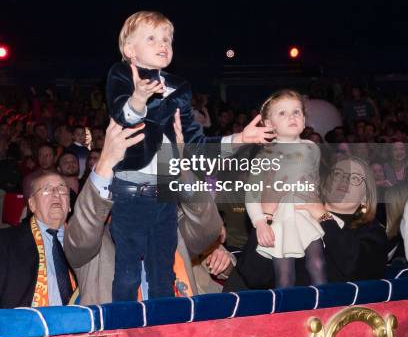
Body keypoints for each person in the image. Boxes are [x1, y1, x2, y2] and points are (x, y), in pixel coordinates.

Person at [105, 10, 273, 301]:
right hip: (132, 190)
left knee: (163, 270)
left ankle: (164, 327)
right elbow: (122, 113)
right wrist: (139, 98)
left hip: (166, 193)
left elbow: (194, 144)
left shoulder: (179, 87)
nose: (163, 44)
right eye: (153, 38)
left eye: (168, 39)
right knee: (128, 271)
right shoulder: (121, 75)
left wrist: (240, 139)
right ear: (130, 50)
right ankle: (125, 329)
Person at [64, 118, 235, 304]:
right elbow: (82, 233)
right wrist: (106, 162)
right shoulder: (95, 245)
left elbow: (208, 227)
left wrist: (182, 169)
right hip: (119, 330)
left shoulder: (172, 231)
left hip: (174, 327)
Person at [225, 155, 387, 291]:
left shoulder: (371, 231)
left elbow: (359, 271)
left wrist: (323, 217)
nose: (344, 180)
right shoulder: (293, 215)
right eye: (337, 174)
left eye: (355, 178)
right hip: (284, 316)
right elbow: (253, 276)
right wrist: (267, 217)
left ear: (365, 196)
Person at [244, 90, 327, 288]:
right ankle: (286, 317)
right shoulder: (264, 156)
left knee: (318, 263)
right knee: (284, 274)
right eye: (282, 113)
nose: (291, 117)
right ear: (269, 124)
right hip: (280, 220)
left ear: (305, 120)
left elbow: (313, 181)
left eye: (296, 112)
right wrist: (261, 223)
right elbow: (252, 194)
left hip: (306, 215)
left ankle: (326, 309)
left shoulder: (312, 148)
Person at [0, 171, 75, 308]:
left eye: (62, 189)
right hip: (26, 325)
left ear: (69, 205)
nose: (56, 193)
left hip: (81, 324)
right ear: (32, 204)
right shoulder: (6, 243)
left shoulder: (83, 242)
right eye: (46, 189)